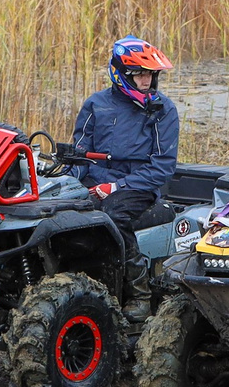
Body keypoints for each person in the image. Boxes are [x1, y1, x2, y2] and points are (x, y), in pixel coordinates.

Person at [69, 37, 181, 259]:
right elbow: (79, 156)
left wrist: (116, 186)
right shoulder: (95, 104)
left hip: (137, 186)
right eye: (140, 74)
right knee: (64, 213)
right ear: (122, 74)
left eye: (150, 74)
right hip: (95, 180)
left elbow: (162, 167)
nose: (146, 80)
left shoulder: (164, 110)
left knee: (112, 215)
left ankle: (135, 283)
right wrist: (66, 184)